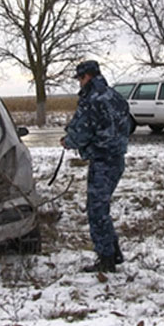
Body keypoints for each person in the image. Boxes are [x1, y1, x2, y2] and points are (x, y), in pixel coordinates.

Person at [60, 60, 130, 273]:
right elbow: (126, 124)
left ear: (86, 77)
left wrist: (68, 141)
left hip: (102, 160)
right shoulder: (115, 96)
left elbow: (81, 131)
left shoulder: (92, 99)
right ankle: (113, 253)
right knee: (102, 207)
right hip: (117, 158)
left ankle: (106, 259)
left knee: (97, 210)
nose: (80, 84)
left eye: (80, 79)